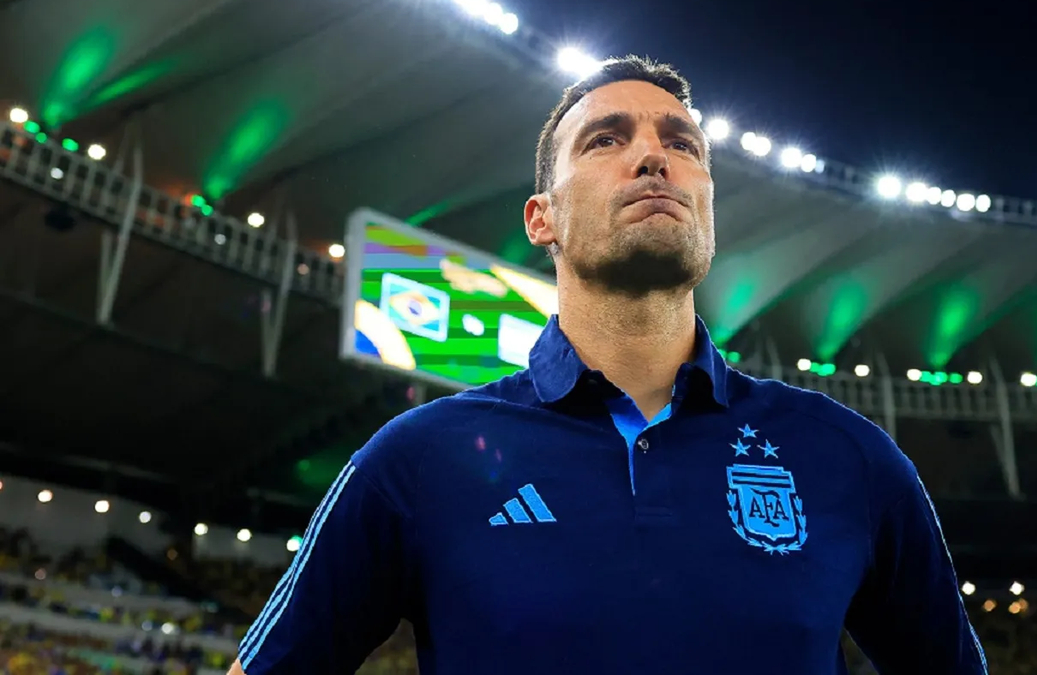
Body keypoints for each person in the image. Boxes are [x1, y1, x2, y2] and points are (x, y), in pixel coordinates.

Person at [228, 55, 986, 675]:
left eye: (683, 145)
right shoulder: (419, 458)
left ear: (708, 206)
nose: (654, 156)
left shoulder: (847, 456)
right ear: (542, 218)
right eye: (605, 139)